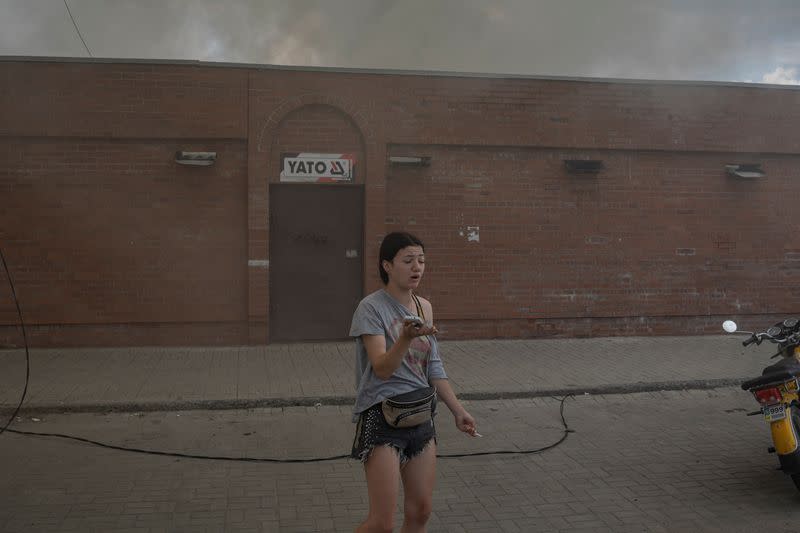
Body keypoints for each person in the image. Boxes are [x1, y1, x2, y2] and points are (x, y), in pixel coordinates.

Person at [350, 231, 477, 533]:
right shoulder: (371, 308)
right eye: (407, 260)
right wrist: (405, 338)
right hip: (382, 418)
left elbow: (433, 367)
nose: (416, 267)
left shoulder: (424, 307)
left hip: (421, 417)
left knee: (420, 512)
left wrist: (458, 410)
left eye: (421, 260)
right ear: (387, 266)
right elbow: (381, 368)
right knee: (382, 525)